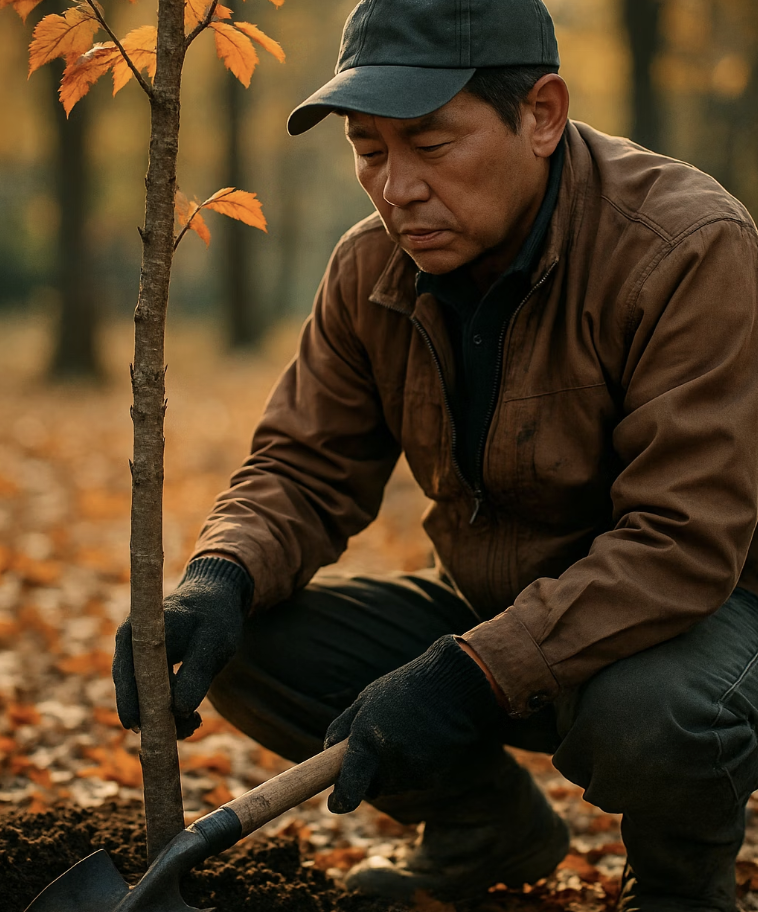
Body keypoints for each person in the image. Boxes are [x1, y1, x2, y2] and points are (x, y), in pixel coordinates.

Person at [113, 0, 758, 908]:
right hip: (495, 608)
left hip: (705, 619)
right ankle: (486, 829)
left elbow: (683, 542)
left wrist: (474, 672)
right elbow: (302, 467)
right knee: (247, 638)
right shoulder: (368, 267)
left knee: (649, 714)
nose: (395, 187)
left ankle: (681, 888)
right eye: (369, 149)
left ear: (541, 115)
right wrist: (219, 574)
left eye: (430, 143)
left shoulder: (686, 247)